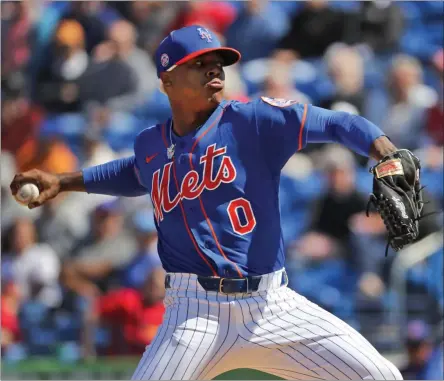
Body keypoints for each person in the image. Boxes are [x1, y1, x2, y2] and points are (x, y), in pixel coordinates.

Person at [10, 25, 404, 380]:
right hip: (194, 311)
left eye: (218, 62)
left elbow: (337, 123)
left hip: (272, 305)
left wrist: (382, 148)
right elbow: (134, 174)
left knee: (381, 376)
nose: (214, 70)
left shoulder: (252, 120)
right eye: (198, 63)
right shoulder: (151, 145)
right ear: (166, 80)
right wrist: (62, 182)